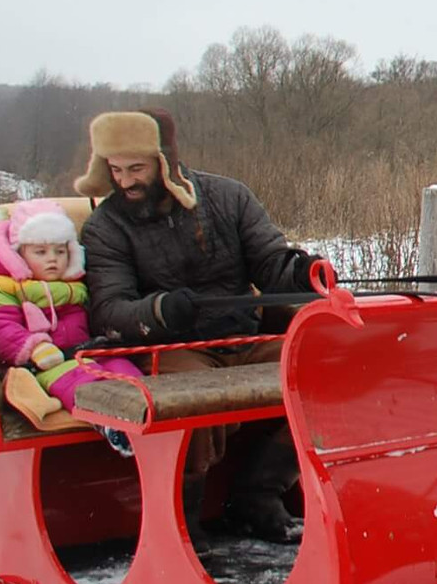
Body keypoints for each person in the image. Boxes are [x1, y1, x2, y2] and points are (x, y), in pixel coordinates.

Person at [75, 109, 321, 542]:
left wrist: (302, 272)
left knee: (325, 374)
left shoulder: (230, 197)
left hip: (246, 333)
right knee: (193, 401)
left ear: (165, 162)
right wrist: (159, 311)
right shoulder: (106, 227)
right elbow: (109, 310)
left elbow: (270, 264)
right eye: (115, 170)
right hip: (174, 348)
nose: (126, 181)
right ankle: (181, 528)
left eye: (136, 169)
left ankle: (257, 496)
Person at [0, 199, 140, 453]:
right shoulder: (0, 287)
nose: (52, 260)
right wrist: (34, 347)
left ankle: (146, 409)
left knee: (122, 368)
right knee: (75, 380)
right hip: (39, 364)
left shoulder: (76, 288)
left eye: (60, 251)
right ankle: (109, 422)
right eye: (40, 252)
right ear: (18, 253)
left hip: (82, 353)